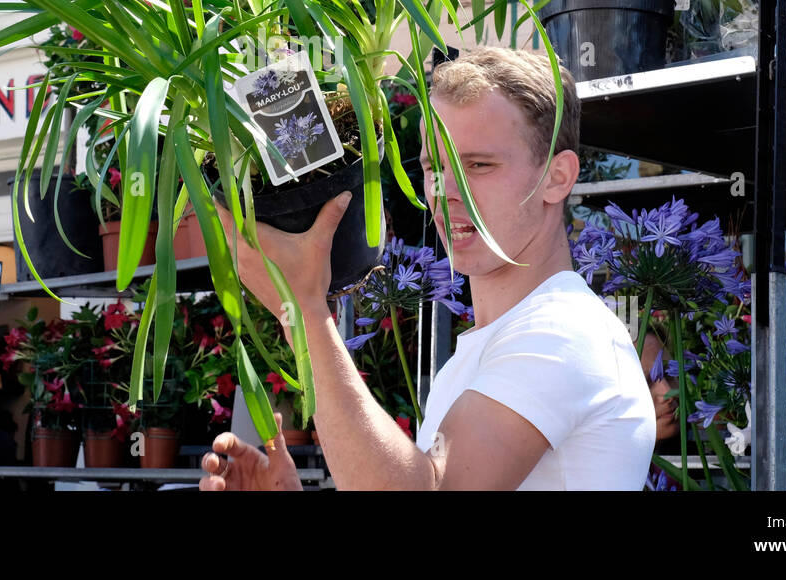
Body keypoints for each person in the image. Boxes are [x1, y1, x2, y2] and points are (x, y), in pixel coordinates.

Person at [202, 46, 657, 490]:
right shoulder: (485, 352)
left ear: (557, 177)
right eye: (433, 168)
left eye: (478, 165)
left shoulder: (562, 333)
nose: (447, 192)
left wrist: (303, 312)